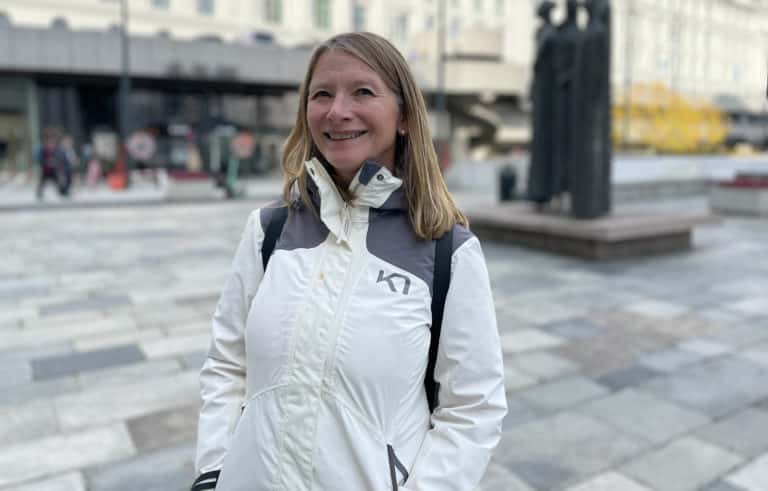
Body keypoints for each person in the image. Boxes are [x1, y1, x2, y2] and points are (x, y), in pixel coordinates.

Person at [192, 32, 506, 491]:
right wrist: (213, 471)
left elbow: (472, 408)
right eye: (322, 94)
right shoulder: (267, 232)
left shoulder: (448, 252)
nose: (338, 111)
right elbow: (226, 364)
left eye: (362, 92)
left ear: (403, 116)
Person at [36, 127, 70, 200]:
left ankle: (63, 191)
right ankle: (39, 193)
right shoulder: (43, 150)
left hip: (54, 170)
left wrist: (55, 162)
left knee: (60, 181)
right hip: (46, 170)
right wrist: (46, 162)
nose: (51, 144)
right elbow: (40, 159)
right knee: (42, 182)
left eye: (52, 142)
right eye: (49, 142)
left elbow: (62, 159)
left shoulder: (57, 150)